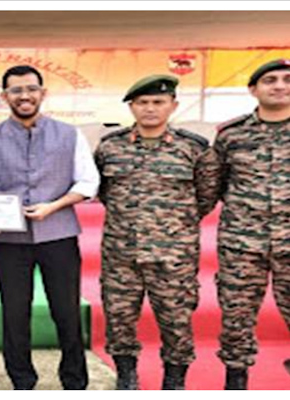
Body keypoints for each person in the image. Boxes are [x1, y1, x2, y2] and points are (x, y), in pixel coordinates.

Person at [0, 65, 99, 390]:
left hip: (59, 236)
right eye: (16, 90)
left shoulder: (69, 134)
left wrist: (53, 206)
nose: (24, 96)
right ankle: (22, 382)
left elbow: (88, 182)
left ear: (42, 93)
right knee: (15, 313)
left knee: (66, 311)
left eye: (31, 89)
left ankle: (75, 382)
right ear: (4, 96)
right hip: (9, 242)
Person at [94, 75, 217, 390]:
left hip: (174, 255)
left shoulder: (194, 148)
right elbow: (104, 192)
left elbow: (206, 196)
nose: (150, 109)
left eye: (158, 102)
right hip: (121, 253)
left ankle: (174, 380)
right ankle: (126, 375)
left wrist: (172, 226)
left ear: (173, 106)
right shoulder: (110, 147)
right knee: (119, 318)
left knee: (176, 320)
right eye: (142, 102)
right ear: (132, 107)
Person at [210, 59, 290, 390]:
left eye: (287, 79)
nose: (280, 86)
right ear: (253, 90)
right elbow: (214, 184)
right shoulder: (231, 135)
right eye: (270, 80)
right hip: (241, 243)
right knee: (236, 318)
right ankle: (236, 383)